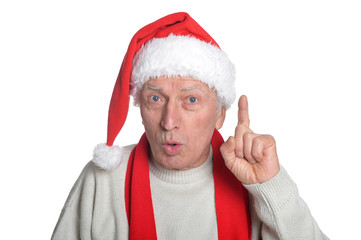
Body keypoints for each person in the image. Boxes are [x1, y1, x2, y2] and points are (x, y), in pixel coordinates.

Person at [52, 12, 328, 239]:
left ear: (220, 114)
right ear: (140, 107)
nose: (169, 121)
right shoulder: (103, 179)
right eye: (156, 98)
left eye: (191, 99)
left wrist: (271, 186)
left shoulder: (254, 179)